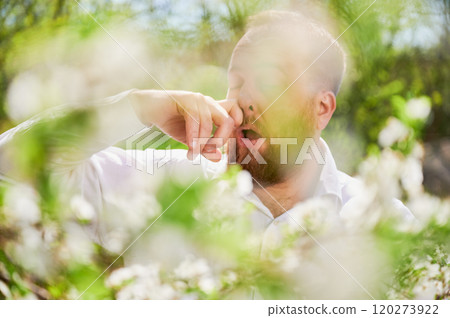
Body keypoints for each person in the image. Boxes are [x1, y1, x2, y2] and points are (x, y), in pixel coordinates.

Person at [0, 11, 411, 250]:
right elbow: (11, 166)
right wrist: (137, 107)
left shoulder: (384, 225)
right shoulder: (160, 184)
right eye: (234, 81)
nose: (241, 99)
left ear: (321, 108)